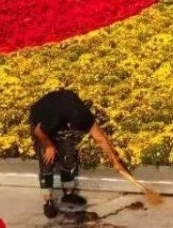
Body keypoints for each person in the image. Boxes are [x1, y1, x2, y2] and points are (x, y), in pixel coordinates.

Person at [28, 89, 132, 218]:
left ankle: (69, 194)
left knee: (68, 157)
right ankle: (48, 200)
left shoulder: (85, 117)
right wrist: (49, 146)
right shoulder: (54, 119)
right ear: (69, 125)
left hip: (63, 115)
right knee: (47, 162)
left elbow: (101, 139)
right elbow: (39, 132)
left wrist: (115, 162)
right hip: (41, 120)